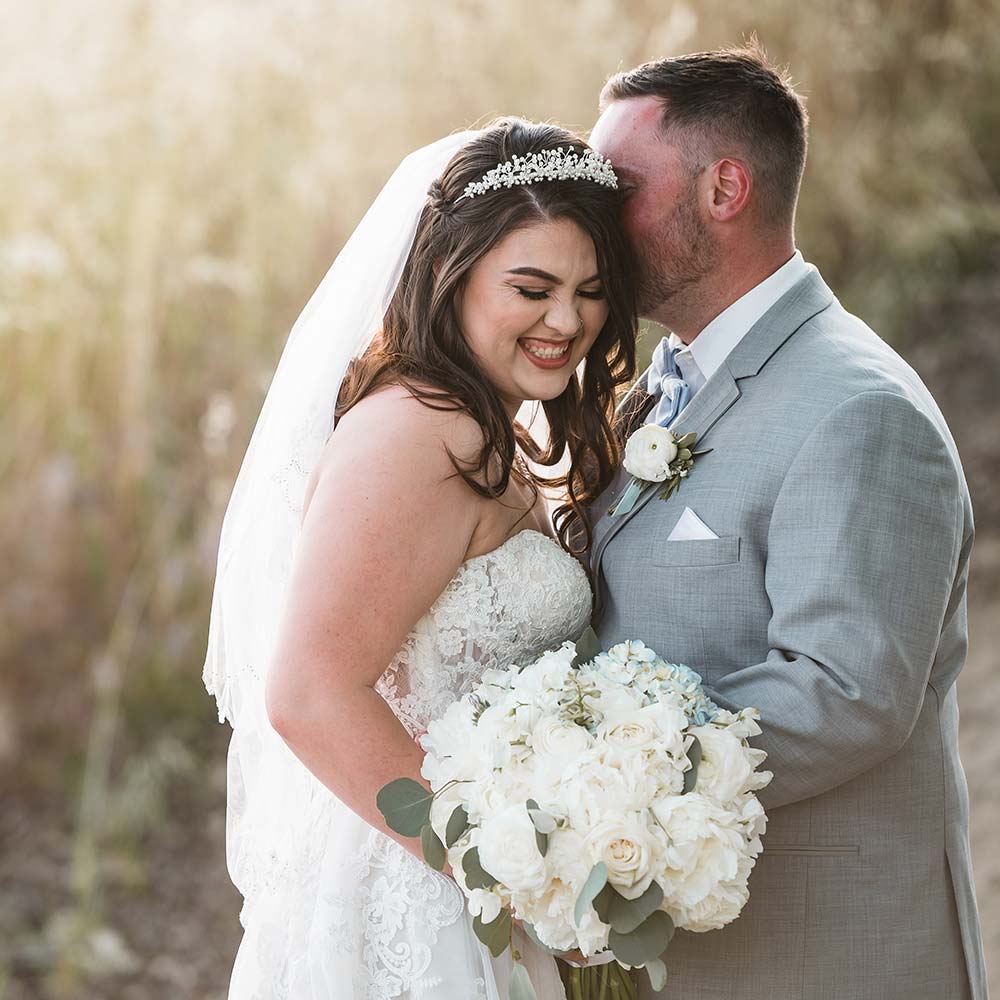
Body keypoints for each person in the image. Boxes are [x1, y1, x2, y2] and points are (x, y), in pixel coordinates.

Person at [587, 44, 989, 999]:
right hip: (692, 945)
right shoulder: (663, 382)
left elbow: (844, 691)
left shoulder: (859, 411)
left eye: (620, 188)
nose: (592, 220)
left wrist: (584, 785)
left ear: (724, 187)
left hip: (822, 955)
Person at [202, 118, 637, 998]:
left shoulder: (478, 424)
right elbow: (310, 695)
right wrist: (516, 883)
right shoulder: (421, 428)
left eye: (590, 290)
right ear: (452, 275)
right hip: (421, 901)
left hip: (455, 874)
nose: (568, 320)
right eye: (532, 287)